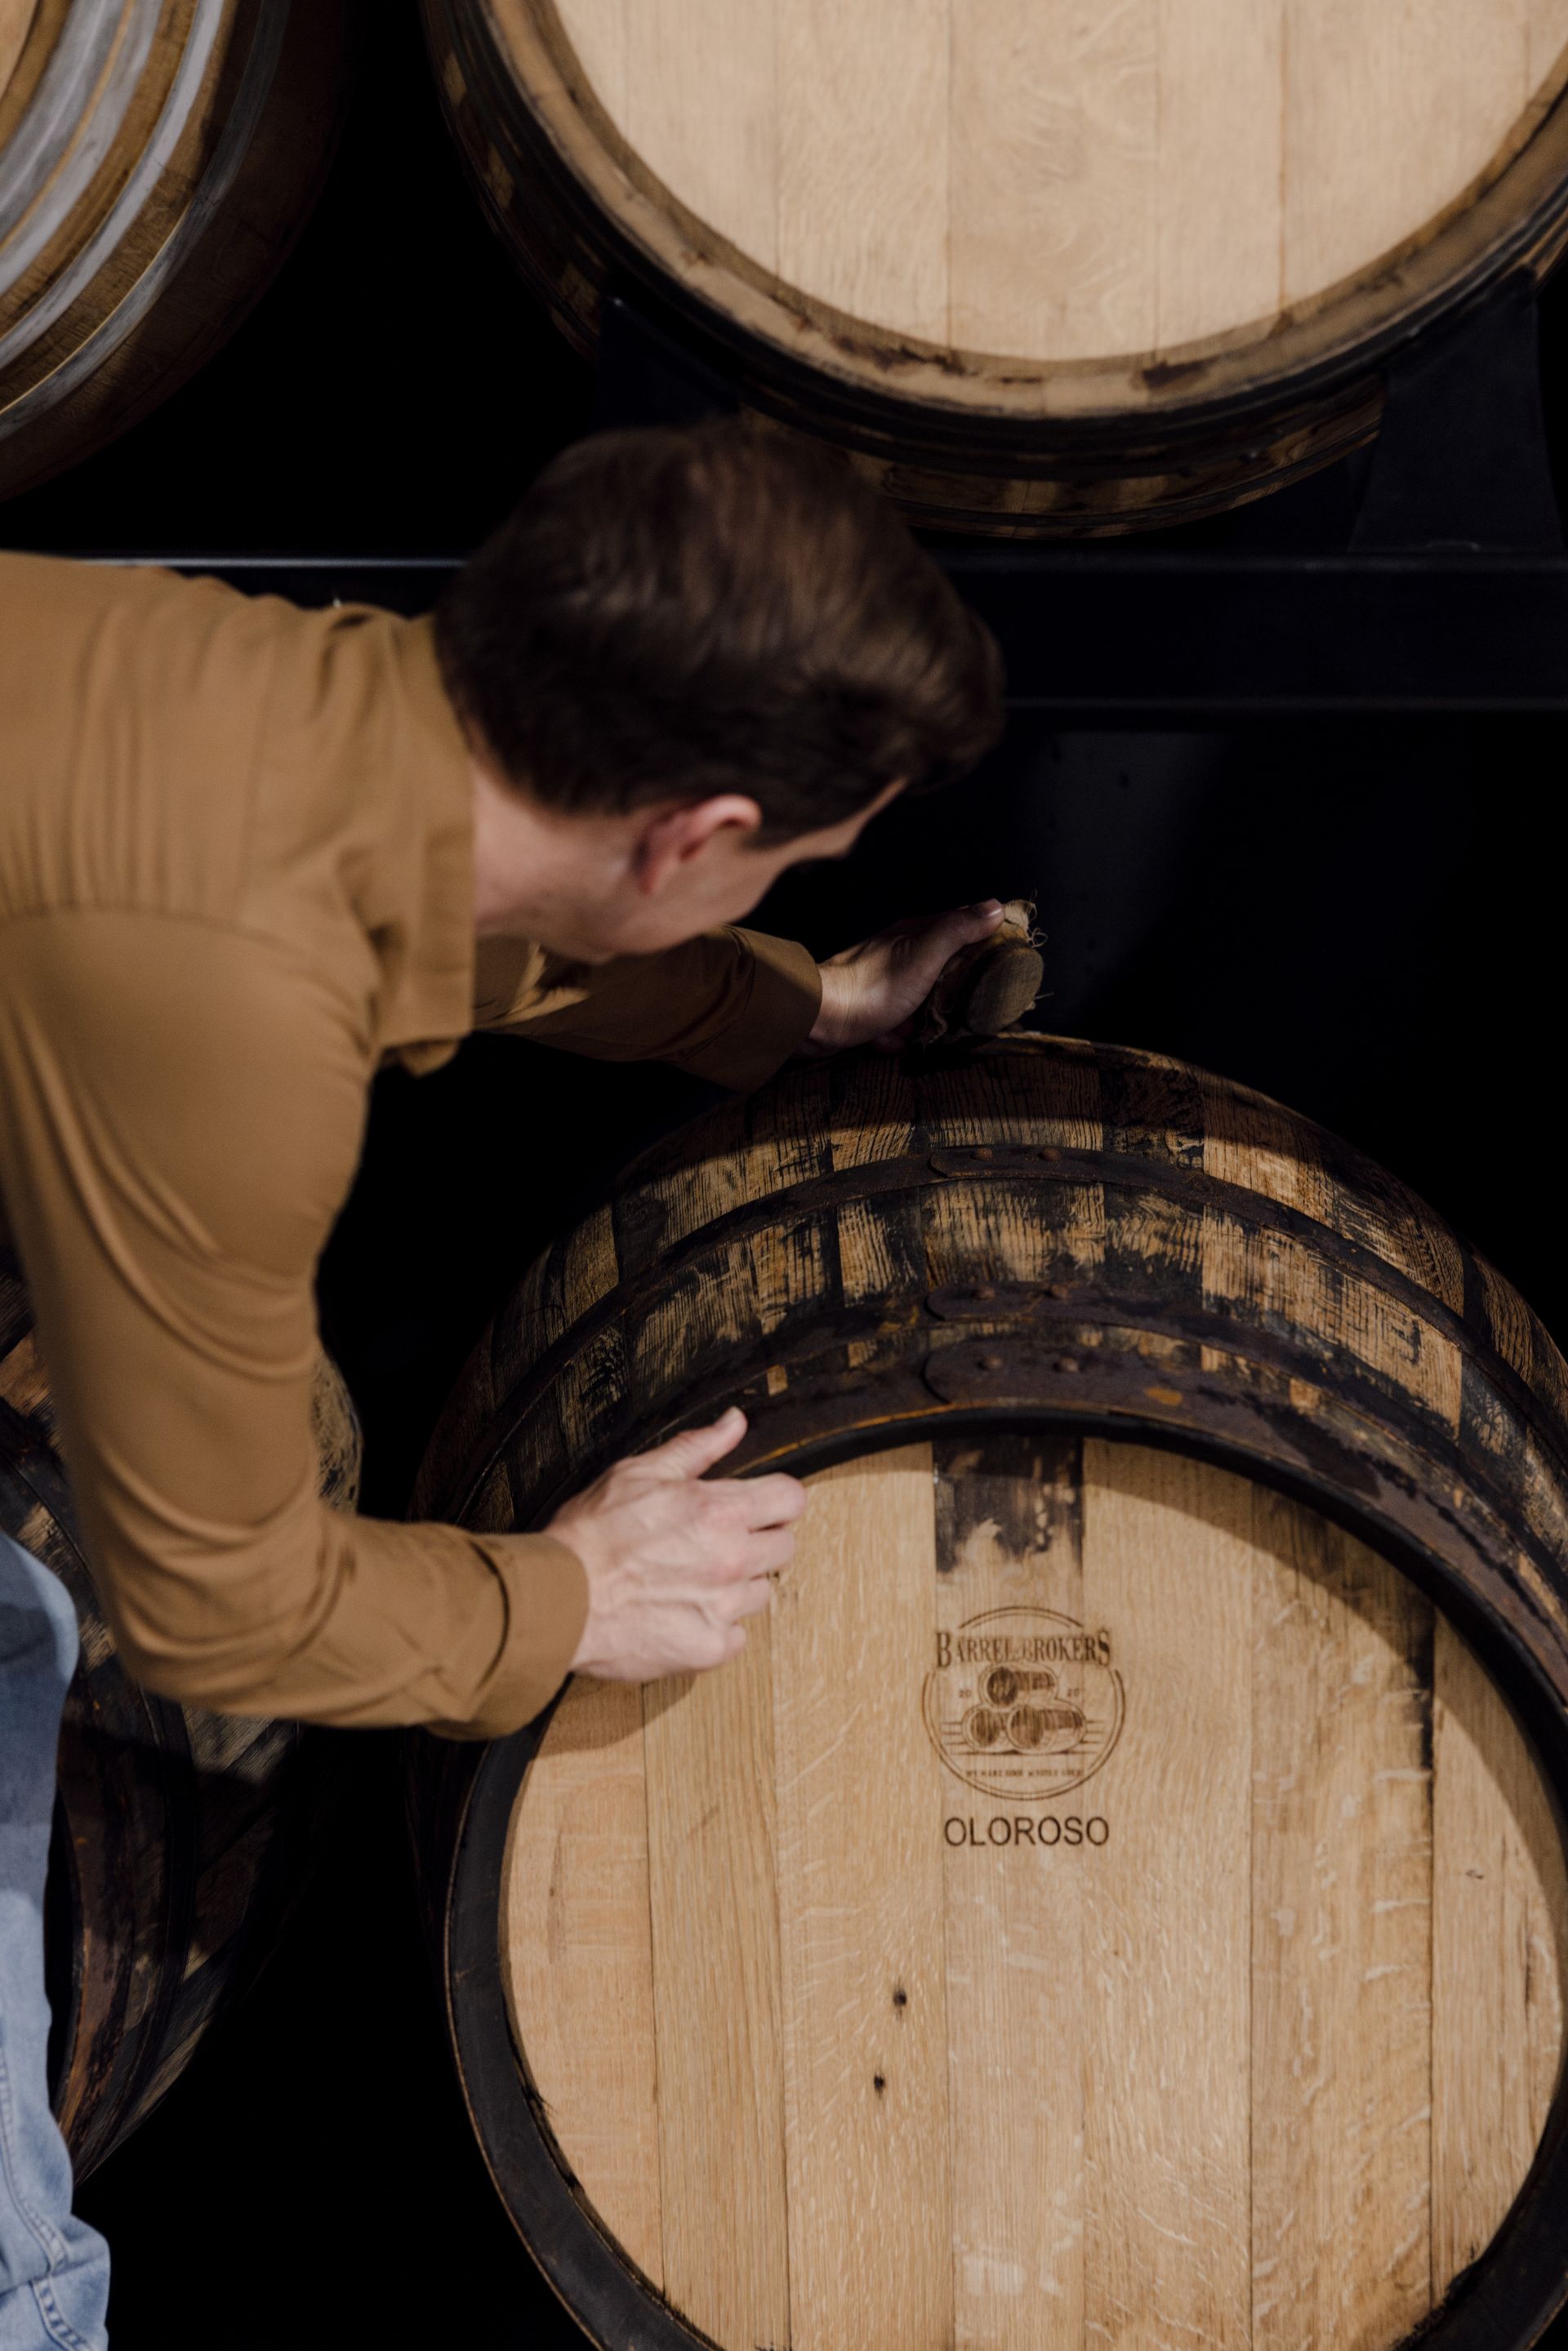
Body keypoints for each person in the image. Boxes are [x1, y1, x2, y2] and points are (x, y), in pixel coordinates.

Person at [0, 419, 1004, 2345]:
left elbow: (445, 923)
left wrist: (791, 1003)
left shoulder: (248, 687)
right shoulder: (223, 1007)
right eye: (781, 868)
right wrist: (569, 1598)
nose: (765, 888)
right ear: (694, 838)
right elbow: (217, 1606)